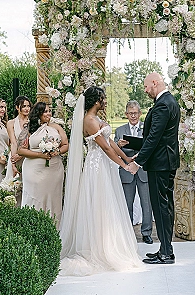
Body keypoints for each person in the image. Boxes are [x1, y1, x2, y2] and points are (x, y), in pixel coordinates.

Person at [59, 86, 141, 276]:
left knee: (109, 203)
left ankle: (110, 244)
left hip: (105, 166)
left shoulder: (98, 119)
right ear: (96, 100)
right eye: (103, 99)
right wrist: (123, 165)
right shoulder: (88, 120)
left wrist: (127, 158)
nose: (105, 102)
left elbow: (111, 142)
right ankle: (98, 248)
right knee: (99, 205)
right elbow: (104, 148)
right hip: (96, 167)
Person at [129, 72, 180, 265]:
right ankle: (166, 248)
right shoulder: (168, 101)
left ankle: (166, 253)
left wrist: (138, 162)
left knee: (161, 207)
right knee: (164, 206)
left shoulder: (163, 105)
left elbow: (154, 138)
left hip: (160, 164)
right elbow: (158, 138)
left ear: (154, 83)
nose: (145, 90)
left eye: (145, 86)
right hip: (164, 161)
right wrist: (136, 149)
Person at [18, 102, 68, 228]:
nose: (49, 114)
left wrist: (57, 151)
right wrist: (40, 155)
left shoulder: (56, 127)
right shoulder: (30, 128)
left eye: (49, 111)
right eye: (45, 111)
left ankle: (54, 228)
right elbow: (20, 150)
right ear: (38, 113)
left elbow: (66, 144)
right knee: (35, 198)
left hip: (54, 170)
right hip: (34, 171)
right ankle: (32, 228)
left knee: (53, 199)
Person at [114, 100, 153, 244]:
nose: (133, 116)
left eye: (135, 113)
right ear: (126, 114)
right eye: (130, 113)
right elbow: (113, 151)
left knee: (146, 204)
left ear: (140, 113)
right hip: (126, 171)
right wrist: (118, 145)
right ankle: (128, 233)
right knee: (126, 204)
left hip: (143, 170)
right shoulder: (120, 131)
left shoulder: (147, 128)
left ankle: (147, 232)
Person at [6, 96, 31, 177]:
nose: (27, 108)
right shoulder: (11, 123)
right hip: (15, 155)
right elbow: (13, 143)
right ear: (17, 107)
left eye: (28, 106)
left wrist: (21, 155)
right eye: (24, 106)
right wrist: (13, 163)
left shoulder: (33, 122)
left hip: (28, 157)